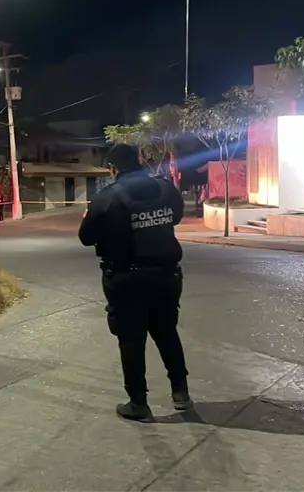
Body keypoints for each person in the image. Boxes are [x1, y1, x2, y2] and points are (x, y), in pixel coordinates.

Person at [78, 143, 192, 422]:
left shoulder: (107, 197)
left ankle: (138, 403)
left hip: (126, 278)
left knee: (131, 340)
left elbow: (86, 237)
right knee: (166, 332)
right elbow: (176, 217)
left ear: (113, 168)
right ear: (139, 161)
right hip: (166, 275)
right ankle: (181, 393)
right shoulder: (165, 188)